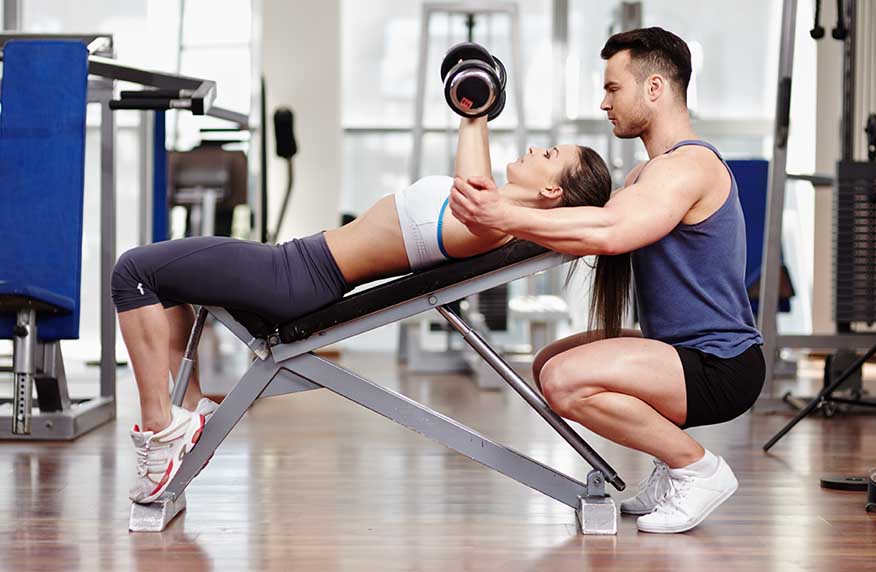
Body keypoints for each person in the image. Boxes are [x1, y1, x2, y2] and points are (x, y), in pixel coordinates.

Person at [112, 113, 631, 504]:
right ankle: (189, 413)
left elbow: (472, 191)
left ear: (550, 189)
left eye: (549, 154)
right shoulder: (498, 215)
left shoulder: (491, 220)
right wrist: (473, 107)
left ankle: (162, 430)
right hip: (299, 268)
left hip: (293, 277)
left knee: (133, 272)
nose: (537, 148)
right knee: (167, 277)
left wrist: (474, 114)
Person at [448, 27, 765, 534]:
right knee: (549, 362)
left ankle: (697, 468)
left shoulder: (690, 167)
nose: (603, 102)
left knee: (564, 379)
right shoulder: (646, 175)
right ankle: (671, 465)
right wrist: (504, 206)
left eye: (614, 88)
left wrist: (502, 215)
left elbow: (610, 231)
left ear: (655, 88)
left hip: (719, 364)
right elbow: (586, 225)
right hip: (679, 351)